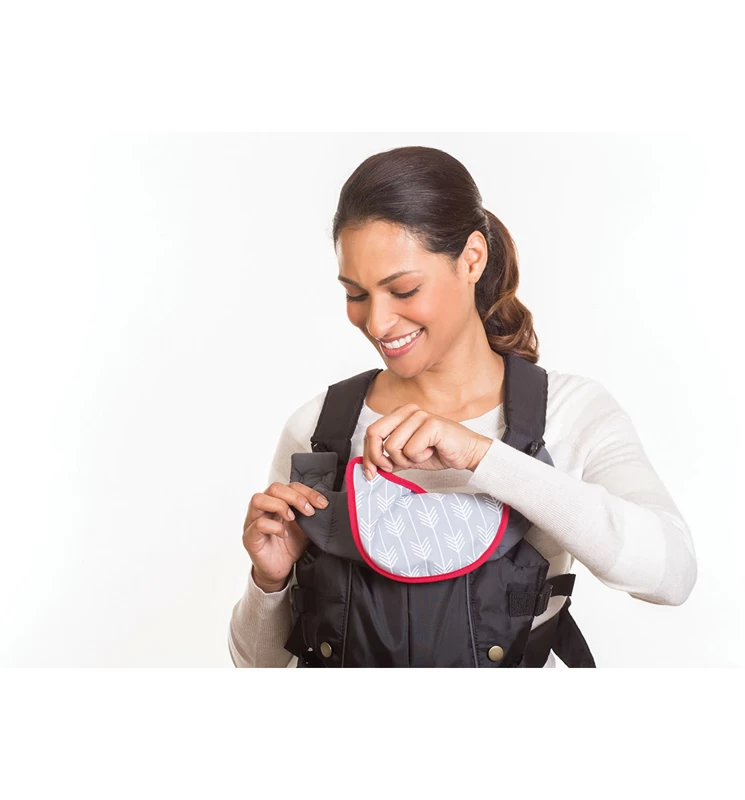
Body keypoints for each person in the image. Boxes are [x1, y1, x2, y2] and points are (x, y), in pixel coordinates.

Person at [227, 145, 698, 668]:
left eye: (403, 289)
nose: (377, 323)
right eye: (356, 295)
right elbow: (256, 668)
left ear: (472, 258)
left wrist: (481, 456)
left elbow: (672, 575)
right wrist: (268, 582)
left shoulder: (570, 413)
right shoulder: (319, 428)